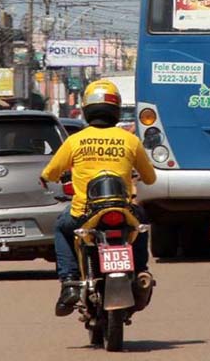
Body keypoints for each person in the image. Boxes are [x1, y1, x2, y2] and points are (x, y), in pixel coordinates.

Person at [40, 79, 157, 317]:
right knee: (142, 225)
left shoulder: (75, 141)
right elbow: (150, 177)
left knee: (62, 228)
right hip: (123, 211)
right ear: (115, 109)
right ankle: (142, 271)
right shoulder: (130, 140)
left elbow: (50, 173)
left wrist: (46, 178)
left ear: (86, 108)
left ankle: (70, 283)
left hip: (85, 214)